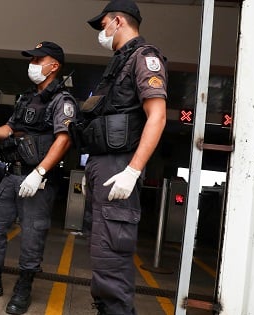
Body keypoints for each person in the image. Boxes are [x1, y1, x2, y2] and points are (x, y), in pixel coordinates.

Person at [0, 41, 77, 315]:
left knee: (32, 235)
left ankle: (24, 287)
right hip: (12, 175)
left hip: (38, 180)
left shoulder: (63, 101)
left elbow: (64, 140)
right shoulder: (26, 98)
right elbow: (9, 129)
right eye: (32, 60)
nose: (33, 65)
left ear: (54, 66)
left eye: (38, 60)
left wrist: (39, 173)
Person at [82, 0, 168, 314]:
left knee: (112, 260)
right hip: (104, 165)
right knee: (103, 254)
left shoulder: (144, 58)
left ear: (118, 21)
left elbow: (157, 116)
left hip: (120, 166)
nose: (101, 31)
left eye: (103, 24)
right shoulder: (119, 62)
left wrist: (133, 170)